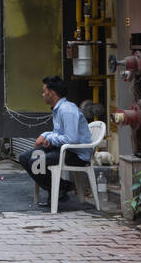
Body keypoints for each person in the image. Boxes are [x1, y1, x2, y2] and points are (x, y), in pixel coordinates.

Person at [17, 75, 92, 205]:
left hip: (77, 154)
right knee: (24, 157)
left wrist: (49, 138)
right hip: (64, 150)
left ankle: (59, 188)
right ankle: (60, 188)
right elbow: (59, 134)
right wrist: (46, 135)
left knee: (36, 161)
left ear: (51, 93)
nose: (43, 95)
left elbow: (71, 139)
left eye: (44, 92)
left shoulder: (67, 110)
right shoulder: (58, 109)